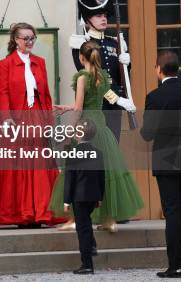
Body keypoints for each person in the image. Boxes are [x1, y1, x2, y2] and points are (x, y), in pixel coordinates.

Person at [52, 41, 143, 233]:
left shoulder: (82, 77)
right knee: (106, 172)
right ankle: (110, 219)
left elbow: (79, 108)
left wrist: (69, 132)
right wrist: (69, 107)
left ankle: (75, 219)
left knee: (77, 171)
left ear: (81, 57)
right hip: (101, 126)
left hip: (85, 127)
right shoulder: (103, 75)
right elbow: (94, 101)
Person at [0, 22, 65, 227]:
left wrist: (48, 120)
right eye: (25, 38)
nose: (29, 42)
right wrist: (7, 118)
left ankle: (40, 212)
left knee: (38, 165)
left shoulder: (40, 62)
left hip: (35, 115)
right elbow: (3, 92)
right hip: (15, 118)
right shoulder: (6, 63)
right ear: (16, 40)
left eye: (32, 38)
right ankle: (21, 214)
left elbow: (44, 93)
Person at [140, 51, 181, 278]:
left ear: (159, 69)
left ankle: (176, 265)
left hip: (166, 161)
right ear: (177, 69)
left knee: (172, 211)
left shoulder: (155, 97)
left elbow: (147, 134)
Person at [70, 0, 136, 143]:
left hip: (113, 110)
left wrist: (127, 65)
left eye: (105, 15)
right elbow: (92, 79)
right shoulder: (81, 44)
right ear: (87, 18)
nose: (104, 18)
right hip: (96, 107)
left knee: (113, 150)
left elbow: (121, 78)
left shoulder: (115, 43)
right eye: (98, 15)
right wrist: (118, 99)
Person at [63, 119, 105, 275]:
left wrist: (66, 200)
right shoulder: (98, 153)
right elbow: (102, 176)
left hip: (79, 197)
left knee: (83, 229)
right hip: (93, 195)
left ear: (77, 135)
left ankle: (87, 264)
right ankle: (92, 245)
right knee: (87, 224)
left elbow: (69, 180)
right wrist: (100, 197)